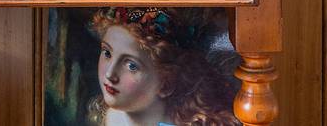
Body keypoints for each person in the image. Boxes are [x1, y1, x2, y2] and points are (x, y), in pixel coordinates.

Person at [87, 8, 239, 126]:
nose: (110, 74)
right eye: (107, 53)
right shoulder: (111, 115)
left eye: (132, 66)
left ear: (166, 83)